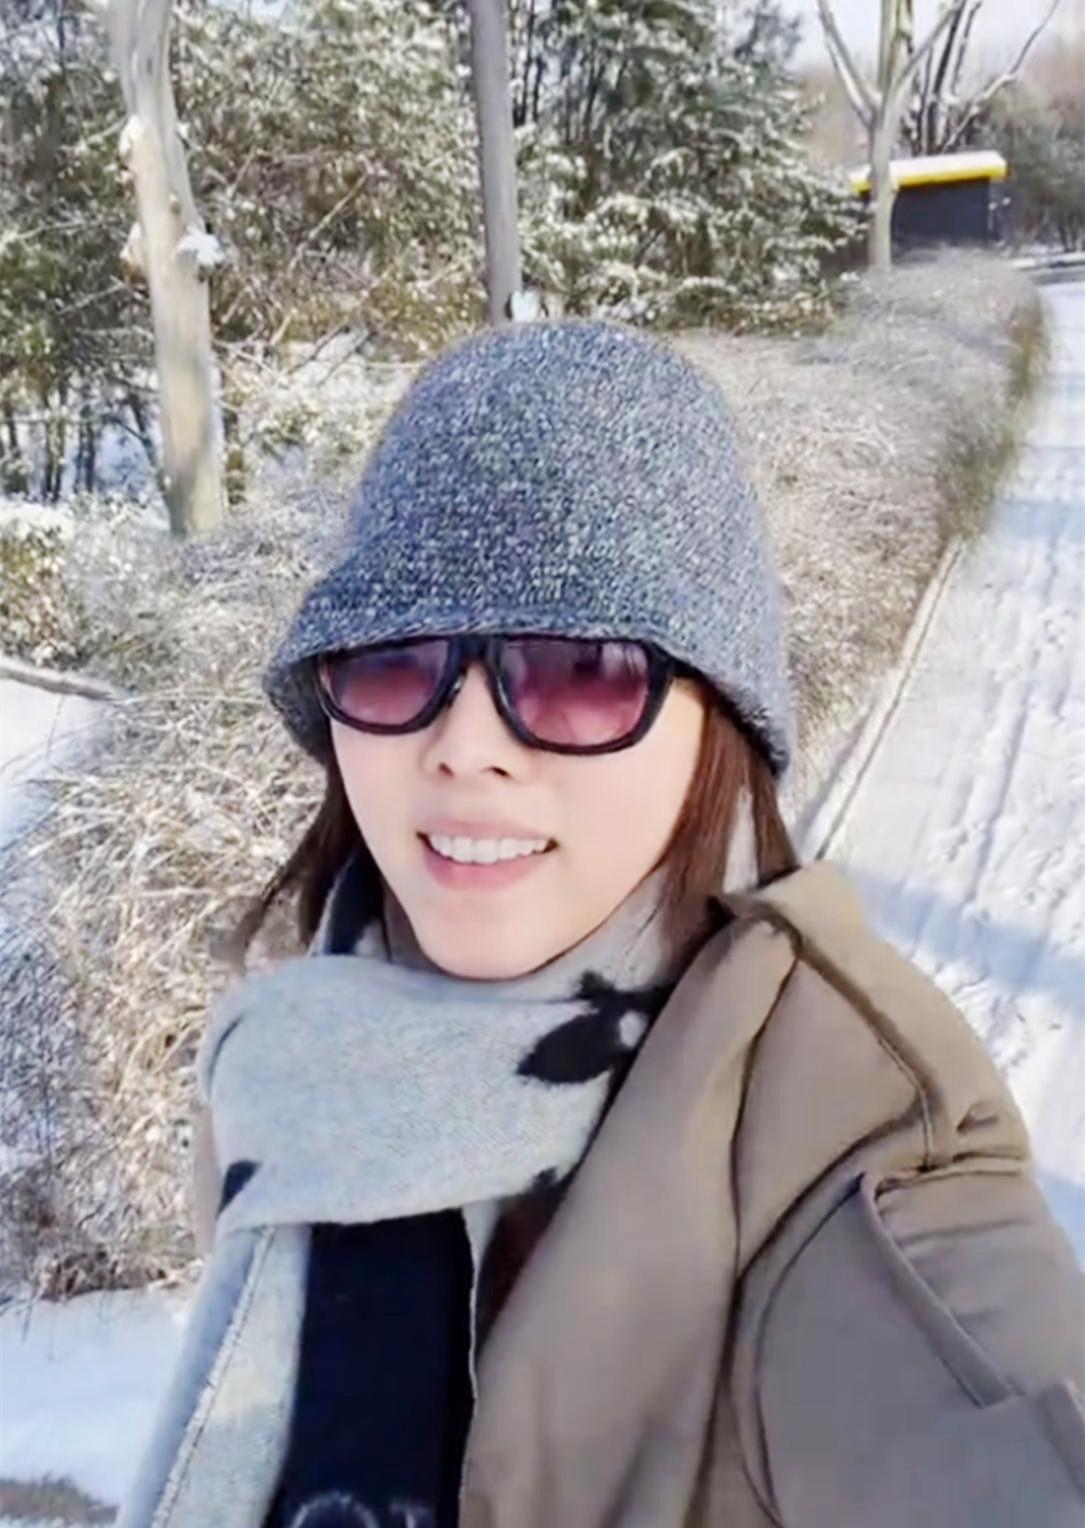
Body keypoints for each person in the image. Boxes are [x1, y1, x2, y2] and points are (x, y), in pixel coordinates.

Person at [119, 320, 1084, 1528]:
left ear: (719, 719)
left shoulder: (858, 1169)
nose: (464, 747)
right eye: (395, 659)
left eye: (581, 668)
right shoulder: (296, 1072)